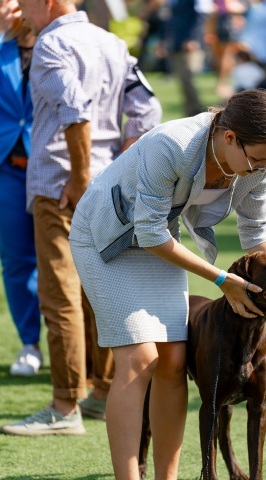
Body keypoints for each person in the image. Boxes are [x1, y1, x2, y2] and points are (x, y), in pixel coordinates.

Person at [66, 88, 266, 480]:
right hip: (104, 238)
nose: (263, 169)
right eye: (259, 159)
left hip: (158, 245)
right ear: (229, 138)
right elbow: (149, 231)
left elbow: (257, 228)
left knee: (172, 358)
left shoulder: (254, 160)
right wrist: (222, 280)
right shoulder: (171, 144)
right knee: (140, 357)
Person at [0, 0, 162, 436]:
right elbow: (147, 109)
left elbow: (75, 111)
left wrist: (78, 175)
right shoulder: (111, 42)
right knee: (97, 289)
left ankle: (64, 405)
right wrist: (119, 164)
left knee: (60, 295)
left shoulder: (52, 44)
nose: (22, 10)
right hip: (109, 183)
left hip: (60, 184)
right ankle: (101, 391)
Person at [0, 0, 42, 377]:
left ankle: (80, 347)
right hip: (8, 169)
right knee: (16, 261)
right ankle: (30, 343)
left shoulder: (62, 42)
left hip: (56, 170)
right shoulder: (2, 47)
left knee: (67, 262)